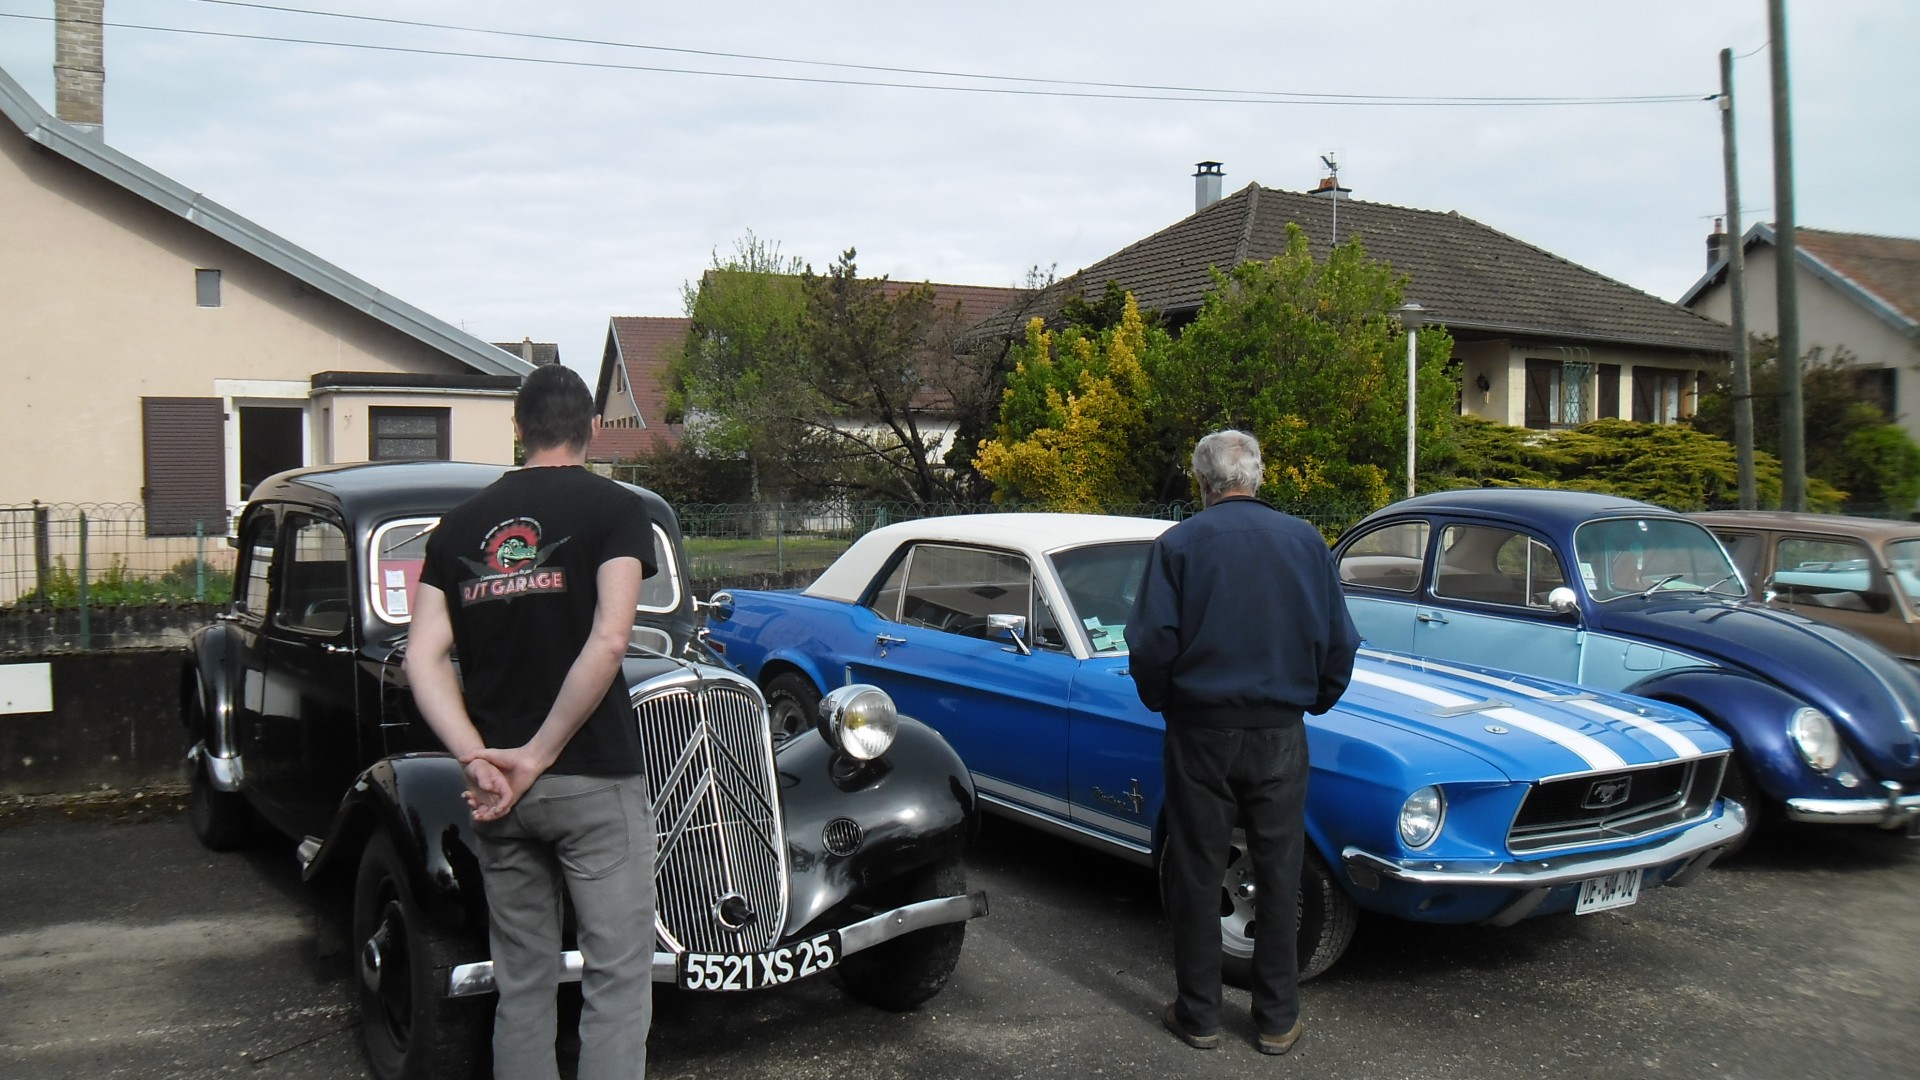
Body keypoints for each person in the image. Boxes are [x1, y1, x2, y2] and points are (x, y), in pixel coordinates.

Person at [407, 363, 658, 1080]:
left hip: (496, 792)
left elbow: (422, 659)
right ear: (594, 429)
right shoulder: (615, 509)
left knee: (522, 980)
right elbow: (611, 640)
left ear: (518, 430)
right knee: (616, 976)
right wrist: (538, 754)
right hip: (590, 781)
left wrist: (479, 759)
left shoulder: (455, 528)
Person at [1125, 429, 1360, 1057]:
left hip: (1200, 729)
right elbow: (1342, 645)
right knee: (1280, 871)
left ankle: (1199, 1014)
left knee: (1199, 872)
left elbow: (1149, 645)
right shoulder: (1307, 542)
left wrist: (1167, 701)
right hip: (1281, 732)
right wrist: (1310, 700)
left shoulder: (1178, 545)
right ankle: (1277, 1018)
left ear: (1203, 484)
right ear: (1257, 478)